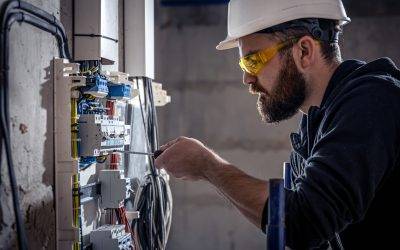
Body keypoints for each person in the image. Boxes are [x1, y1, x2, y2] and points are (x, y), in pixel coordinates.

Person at [155, 0, 400, 249]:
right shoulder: (316, 123)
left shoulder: (373, 102)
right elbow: (293, 228)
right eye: (244, 65)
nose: (247, 78)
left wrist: (208, 166)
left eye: (253, 61)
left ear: (304, 51)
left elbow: (302, 222)